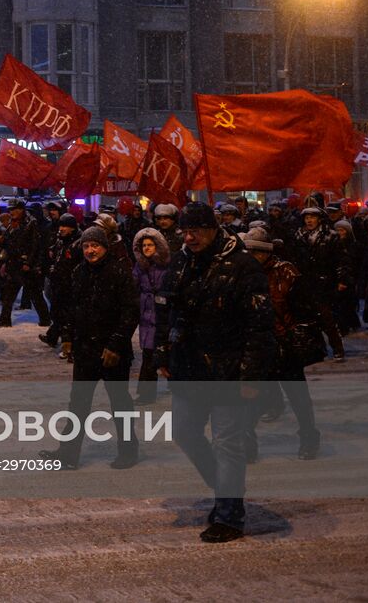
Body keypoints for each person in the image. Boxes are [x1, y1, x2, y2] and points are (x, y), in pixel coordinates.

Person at [155, 202, 277, 543]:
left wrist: (251, 376)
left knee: (228, 444)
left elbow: (260, 326)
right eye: (185, 231)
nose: (190, 238)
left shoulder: (242, 266)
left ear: (213, 229)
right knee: (183, 431)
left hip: (228, 370)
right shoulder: (180, 262)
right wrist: (163, 351)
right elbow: (166, 309)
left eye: (196, 231)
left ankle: (229, 514)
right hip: (188, 366)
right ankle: (223, 486)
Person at [39, 225, 140, 470]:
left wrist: (115, 344)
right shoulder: (79, 273)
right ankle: (68, 453)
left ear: (104, 247)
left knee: (119, 402)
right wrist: (68, 335)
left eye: (94, 245)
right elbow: (73, 308)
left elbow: (130, 312)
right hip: (86, 350)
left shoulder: (120, 272)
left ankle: (128, 450)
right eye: (85, 246)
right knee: (79, 403)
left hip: (112, 352)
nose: (90, 250)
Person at [242, 226, 320, 460]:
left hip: (286, 345)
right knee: (252, 398)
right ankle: (247, 442)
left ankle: (309, 437)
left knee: (298, 398)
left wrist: (295, 334)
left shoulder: (286, 272)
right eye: (250, 251)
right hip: (259, 346)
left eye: (258, 251)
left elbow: (305, 308)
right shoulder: (242, 275)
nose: (254, 256)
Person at [289, 206, 345, 361]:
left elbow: (340, 260)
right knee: (307, 319)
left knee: (327, 319)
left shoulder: (330, 236)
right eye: (307, 218)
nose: (309, 220)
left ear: (319, 219)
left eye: (312, 217)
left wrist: (341, 279)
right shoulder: (297, 235)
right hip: (304, 283)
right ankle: (314, 349)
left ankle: (338, 349)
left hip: (324, 282)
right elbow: (293, 258)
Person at [131, 227, 170, 404]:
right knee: (148, 355)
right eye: (144, 245)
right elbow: (134, 286)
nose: (147, 248)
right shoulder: (140, 267)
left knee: (166, 353)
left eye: (150, 244)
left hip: (163, 314)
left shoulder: (166, 266)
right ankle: (146, 393)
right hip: (146, 314)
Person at [0, 199, 47, 327]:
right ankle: (4, 320)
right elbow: (10, 244)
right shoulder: (11, 224)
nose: (12, 212)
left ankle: (45, 318)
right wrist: (2, 241)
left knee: (35, 295)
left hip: (25, 264)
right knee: (9, 295)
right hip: (13, 263)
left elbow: (35, 246)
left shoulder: (31, 223)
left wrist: (29, 263)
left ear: (21, 210)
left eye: (14, 209)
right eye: (10, 210)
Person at [39, 214, 81, 352]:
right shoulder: (60, 240)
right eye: (60, 226)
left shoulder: (77, 243)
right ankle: (53, 337)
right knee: (57, 313)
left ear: (72, 228)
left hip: (69, 285)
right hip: (58, 283)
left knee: (67, 316)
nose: (61, 229)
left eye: (65, 226)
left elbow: (74, 265)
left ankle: (68, 344)